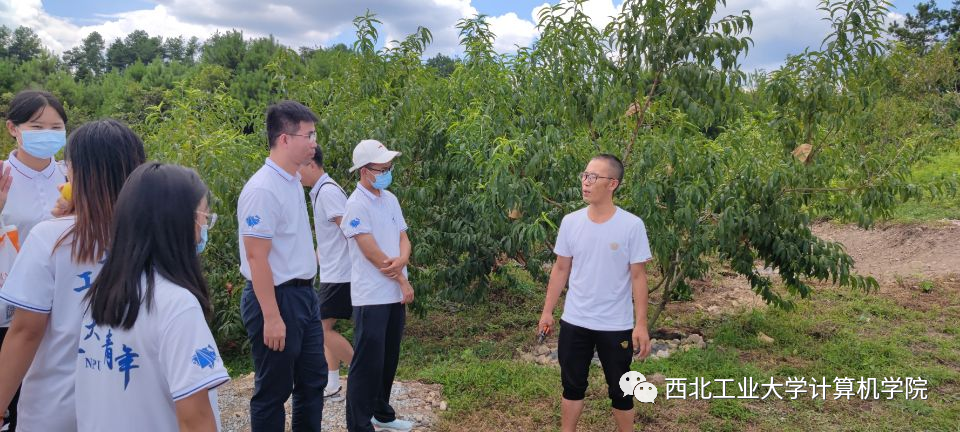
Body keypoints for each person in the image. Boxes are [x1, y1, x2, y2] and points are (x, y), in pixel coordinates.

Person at [0, 119, 146, 431]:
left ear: (78, 173)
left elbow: (25, 332)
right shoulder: (155, 236)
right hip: (132, 404)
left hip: (56, 408)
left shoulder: (51, 237)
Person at [77, 162, 229, 431]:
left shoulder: (103, 294)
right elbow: (194, 420)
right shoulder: (177, 305)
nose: (204, 227)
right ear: (177, 223)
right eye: (203, 216)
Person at [537, 154, 653, 432]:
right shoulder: (571, 222)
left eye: (593, 177)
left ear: (612, 184)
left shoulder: (631, 225)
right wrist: (547, 311)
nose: (585, 182)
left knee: (621, 389)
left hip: (615, 324)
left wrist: (641, 324)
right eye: (584, 175)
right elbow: (561, 269)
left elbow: (638, 277)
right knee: (572, 386)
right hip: (575, 320)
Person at [238, 100, 326, 431]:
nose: (314, 143)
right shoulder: (262, 189)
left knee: (313, 381)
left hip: (303, 296)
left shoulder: (292, 181)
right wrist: (272, 317)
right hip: (275, 298)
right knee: (273, 391)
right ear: (285, 139)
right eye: (309, 135)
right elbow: (256, 257)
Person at [0, 89, 69, 432]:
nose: (47, 135)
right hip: (11, 310)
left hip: (65, 305)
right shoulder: (2, 176)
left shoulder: (72, 176)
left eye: (56, 128)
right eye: (37, 127)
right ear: (13, 128)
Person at [341, 139, 415, 432]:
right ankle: (358, 424)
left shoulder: (390, 199)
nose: (387, 173)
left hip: (394, 294)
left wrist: (404, 260)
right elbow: (371, 251)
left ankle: (382, 413)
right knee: (366, 363)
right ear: (364, 171)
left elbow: (403, 237)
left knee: (388, 358)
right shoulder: (355, 204)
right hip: (371, 296)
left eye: (389, 168)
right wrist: (401, 278)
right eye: (382, 169)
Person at [299, 149, 353, 402]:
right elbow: (328, 238)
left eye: (299, 167)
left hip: (341, 274)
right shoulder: (320, 191)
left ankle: (363, 375)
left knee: (320, 329)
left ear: (311, 164)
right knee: (324, 327)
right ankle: (332, 385)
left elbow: (350, 230)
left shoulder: (328, 192)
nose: (296, 173)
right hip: (331, 272)